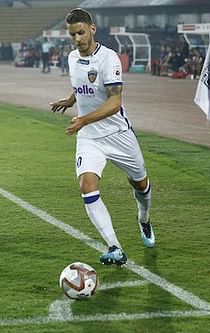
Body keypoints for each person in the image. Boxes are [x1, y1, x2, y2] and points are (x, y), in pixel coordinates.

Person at [50, 8, 154, 266]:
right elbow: (81, 84)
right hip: (89, 138)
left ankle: (144, 219)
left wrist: (83, 118)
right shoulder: (73, 58)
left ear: (92, 29)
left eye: (81, 32)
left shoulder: (109, 59)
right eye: (72, 34)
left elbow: (115, 103)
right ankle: (115, 247)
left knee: (141, 184)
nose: (77, 39)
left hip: (118, 134)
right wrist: (71, 100)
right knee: (87, 185)